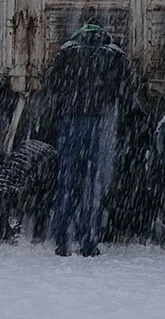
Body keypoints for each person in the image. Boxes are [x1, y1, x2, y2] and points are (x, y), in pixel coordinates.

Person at [42, 23, 135, 257]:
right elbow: (125, 89)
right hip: (100, 122)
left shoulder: (67, 52)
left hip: (71, 122)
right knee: (93, 183)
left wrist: (64, 103)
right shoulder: (114, 54)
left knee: (67, 181)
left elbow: (52, 85)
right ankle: (88, 242)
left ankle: (62, 241)